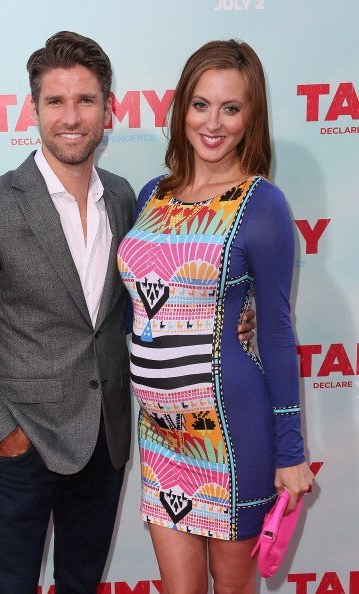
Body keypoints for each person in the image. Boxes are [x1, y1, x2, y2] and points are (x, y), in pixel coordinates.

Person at [0, 31, 256, 594]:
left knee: (81, 584)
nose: (71, 117)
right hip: (21, 445)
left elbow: (154, 295)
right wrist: (0, 432)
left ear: (108, 108)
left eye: (85, 100)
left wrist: (233, 316)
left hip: (105, 442)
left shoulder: (129, 197)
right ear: (33, 110)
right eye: (56, 101)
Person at [117, 39, 314, 594]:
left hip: (231, 431)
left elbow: (274, 329)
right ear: (182, 109)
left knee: (231, 588)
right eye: (201, 104)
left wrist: (292, 453)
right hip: (158, 435)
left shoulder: (262, 202)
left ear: (251, 118)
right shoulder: (152, 194)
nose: (213, 123)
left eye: (232, 108)